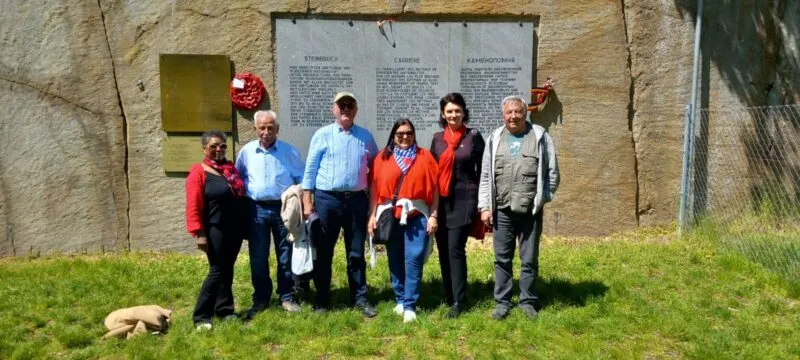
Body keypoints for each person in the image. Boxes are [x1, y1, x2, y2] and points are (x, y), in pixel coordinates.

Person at [477, 96, 559, 320]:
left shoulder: (541, 137)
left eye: (517, 112)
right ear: (503, 115)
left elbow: (552, 173)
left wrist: (543, 198)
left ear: (525, 113)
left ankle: (528, 301)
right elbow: (485, 175)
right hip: (502, 210)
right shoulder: (494, 138)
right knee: (502, 259)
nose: (513, 116)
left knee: (529, 258)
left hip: (529, 212)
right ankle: (502, 302)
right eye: (509, 112)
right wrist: (485, 207)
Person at [301, 92, 380, 317]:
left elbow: (376, 167)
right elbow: (310, 170)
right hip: (327, 200)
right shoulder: (322, 135)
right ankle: (322, 299)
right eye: (341, 105)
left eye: (350, 105)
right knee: (324, 251)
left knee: (356, 252)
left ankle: (360, 297)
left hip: (356, 200)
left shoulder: (365, 136)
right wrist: (308, 202)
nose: (346, 108)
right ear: (333, 109)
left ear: (356, 110)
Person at [235, 110, 305, 319]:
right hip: (256, 209)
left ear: (277, 129)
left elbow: (301, 178)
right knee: (258, 256)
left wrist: (295, 196)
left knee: (286, 255)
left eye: (270, 127)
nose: (266, 132)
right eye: (262, 128)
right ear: (254, 129)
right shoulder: (246, 152)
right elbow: (239, 179)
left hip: (283, 210)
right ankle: (261, 298)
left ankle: (286, 296)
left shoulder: (289, 152)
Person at [369, 118, 439, 323]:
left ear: (414, 134)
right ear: (393, 136)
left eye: (409, 133)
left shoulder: (425, 156)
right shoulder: (382, 157)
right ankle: (399, 298)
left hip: (417, 214)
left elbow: (435, 190)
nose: (405, 137)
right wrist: (371, 215)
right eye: (400, 134)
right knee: (395, 257)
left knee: (414, 258)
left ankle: (410, 304)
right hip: (391, 215)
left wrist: (434, 215)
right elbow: (373, 188)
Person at [429, 92, 485, 318]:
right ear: (443, 114)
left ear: (464, 112)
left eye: (457, 110)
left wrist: (482, 204)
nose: (453, 114)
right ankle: (449, 294)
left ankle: (460, 301)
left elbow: (482, 171)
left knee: (455, 250)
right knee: (443, 250)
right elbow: (432, 171)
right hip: (441, 203)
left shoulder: (473, 137)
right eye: (449, 111)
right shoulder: (437, 139)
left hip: (464, 200)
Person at [185, 130, 247, 330]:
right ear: (204, 148)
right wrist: (199, 233)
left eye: (222, 146)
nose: (218, 150)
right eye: (213, 146)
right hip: (214, 230)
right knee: (217, 271)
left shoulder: (230, 170)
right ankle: (201, 316)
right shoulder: (199, 172)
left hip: (235, 229)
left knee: (227, 270)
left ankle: (225, 309)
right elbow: (193, 205)